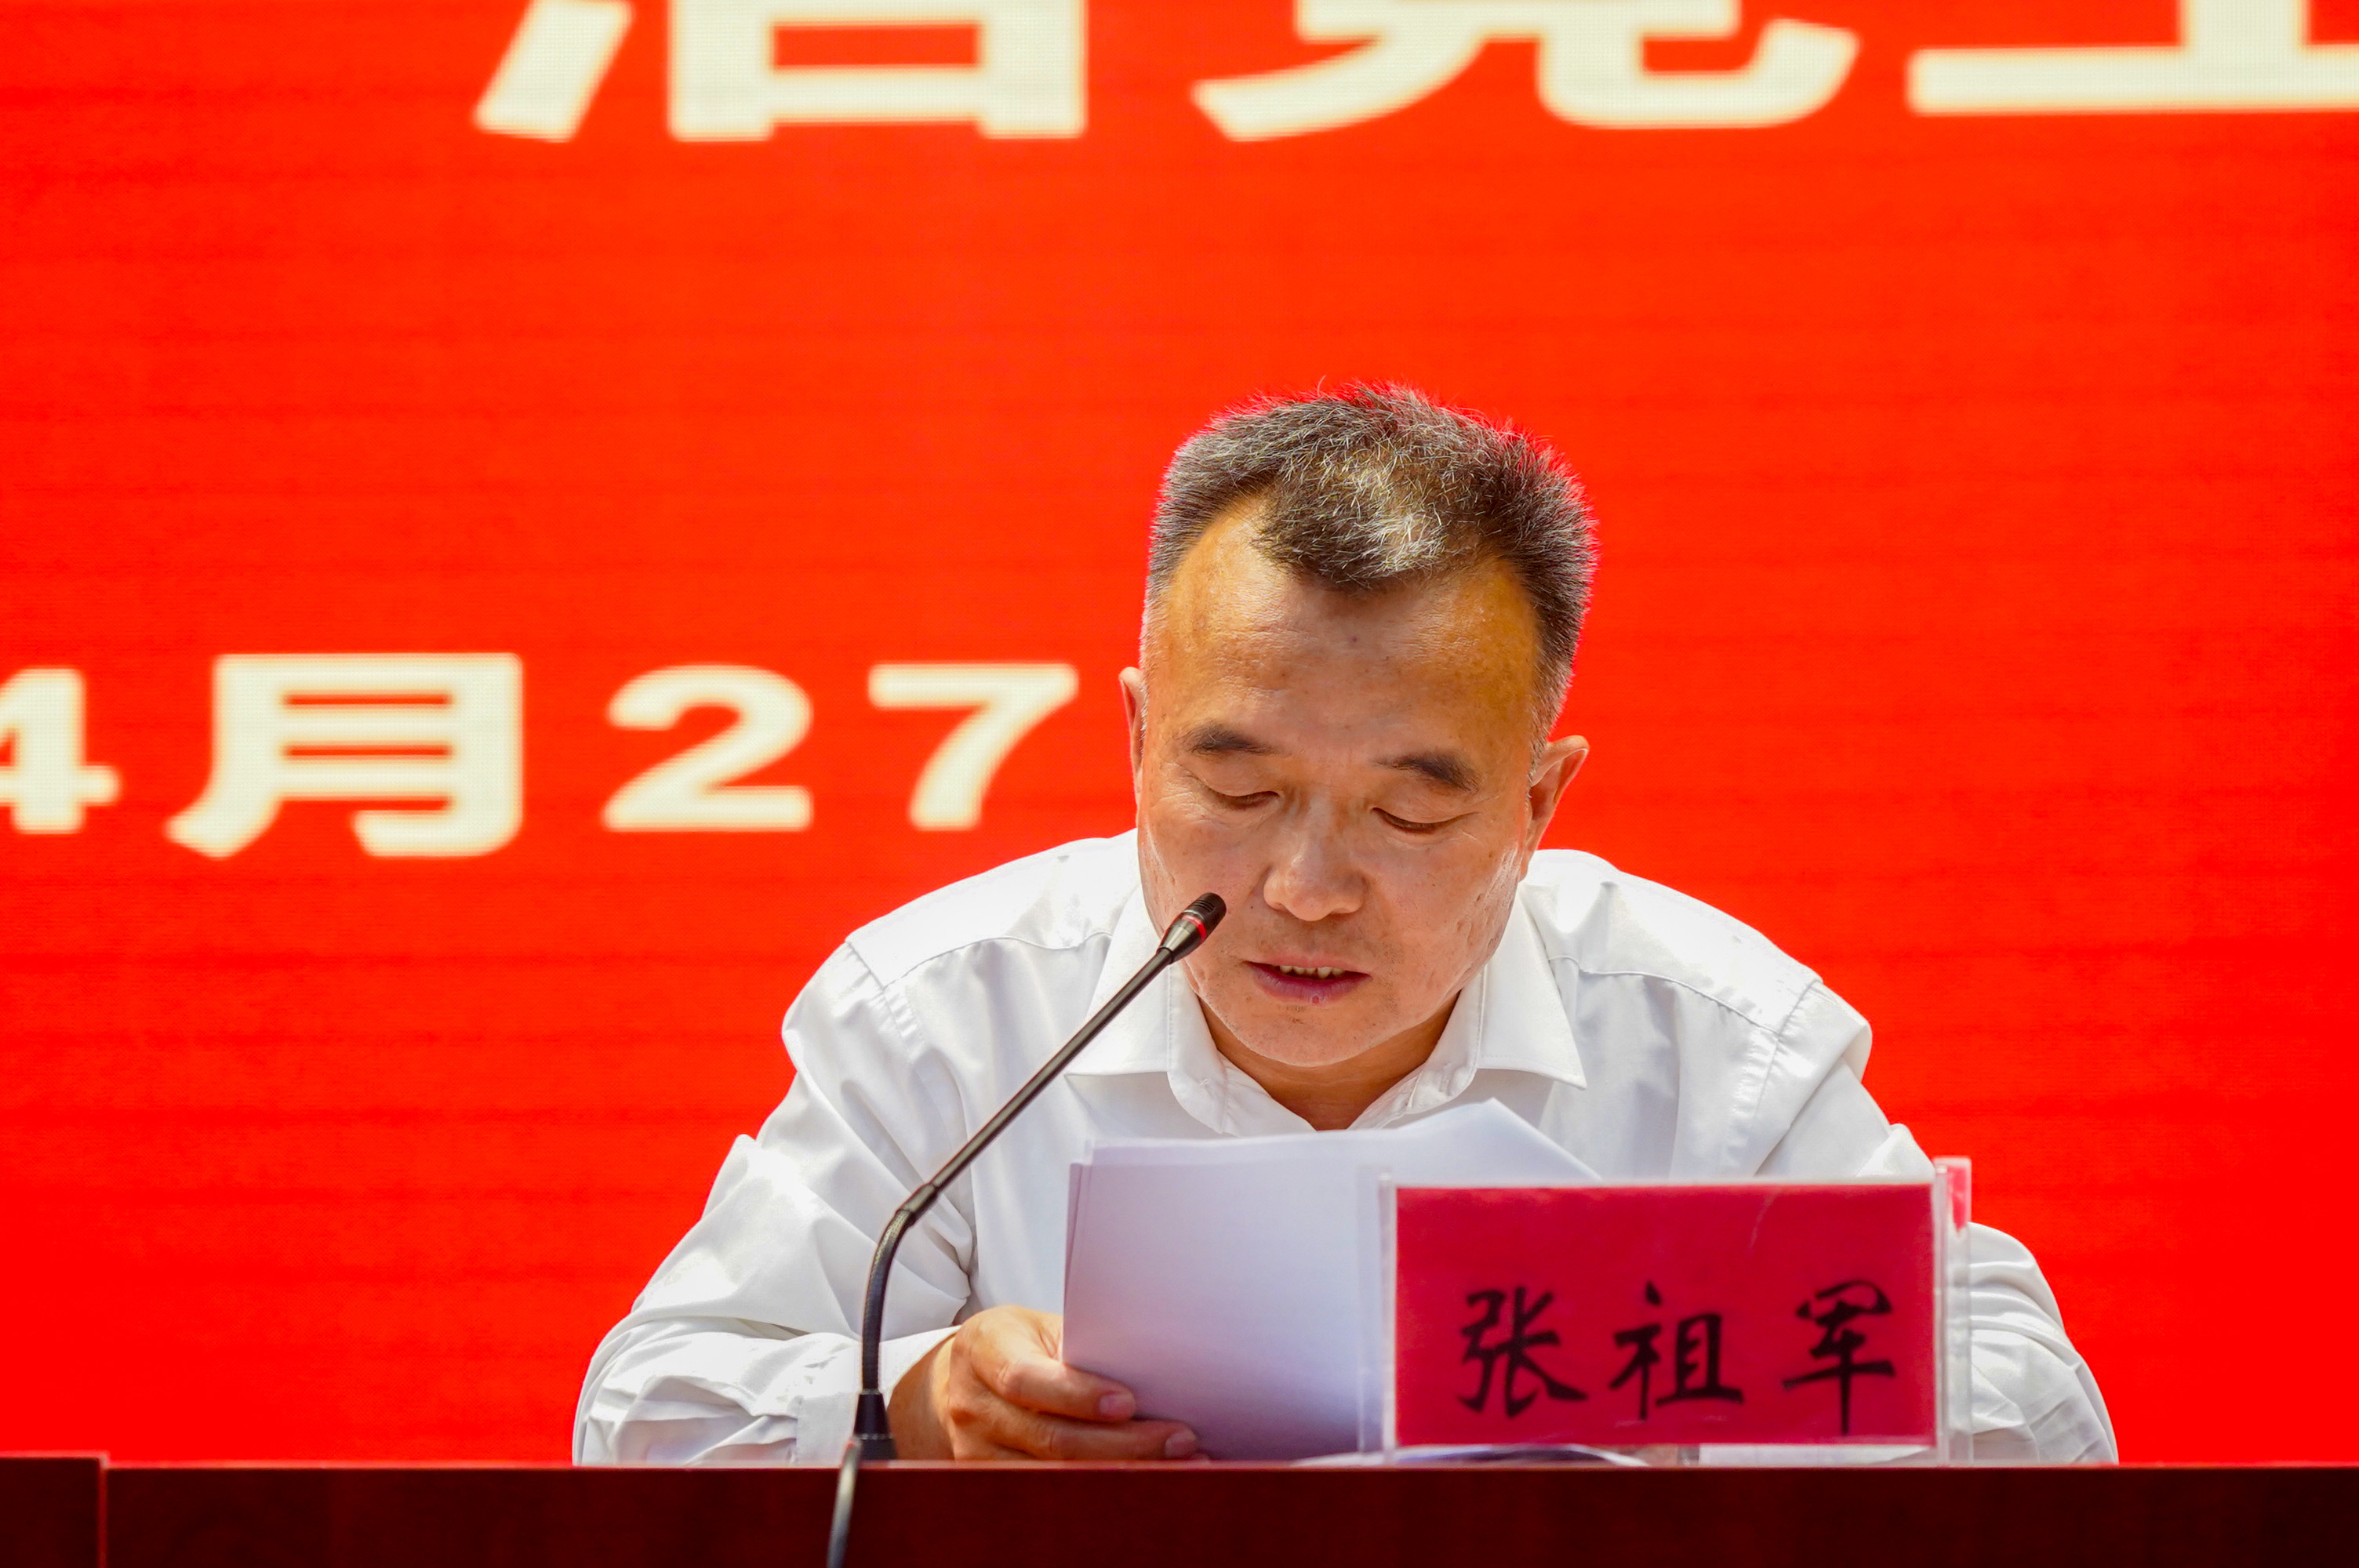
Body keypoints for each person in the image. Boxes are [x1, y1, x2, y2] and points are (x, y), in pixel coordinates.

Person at [576, 387, 2114, 1466]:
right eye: (1236, 788)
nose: (1307, 885)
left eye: (1408, 813)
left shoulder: (1715, 1043)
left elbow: (2040, 1419)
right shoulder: (945, 1012)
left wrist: (1671, 1375)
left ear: (1538, 800)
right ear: (1137, 742)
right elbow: (648, 1412)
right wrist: (914, 1401)